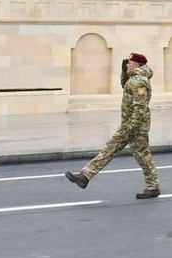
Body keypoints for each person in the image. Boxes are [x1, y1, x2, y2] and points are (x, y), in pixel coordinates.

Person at [65, 52, 161, 199]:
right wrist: (124, 70)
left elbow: (140, 108)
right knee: (109, 149)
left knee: (142, 156)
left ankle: (153, 186)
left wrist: (132, 128)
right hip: (128, 125)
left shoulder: (140, 82)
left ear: (137, 65)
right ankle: (85, 176)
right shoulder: (133, 78)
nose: (127, 65)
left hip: (135, 128)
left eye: (129, 63)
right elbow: (124, 85)